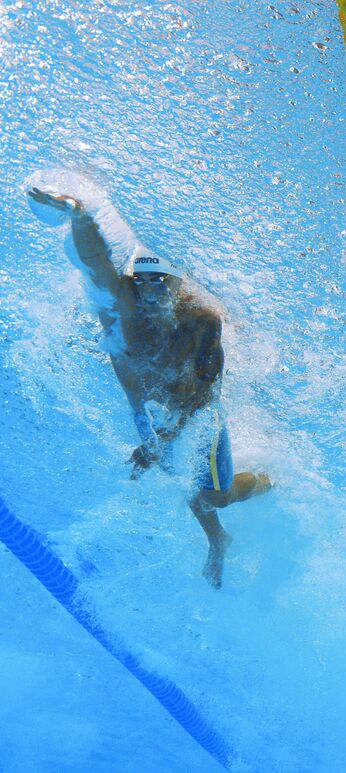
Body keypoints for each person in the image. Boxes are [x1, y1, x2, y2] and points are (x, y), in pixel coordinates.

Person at [27, 184, 271, 589]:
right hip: (150, 416)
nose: (151, 290)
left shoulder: (201, 321)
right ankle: (218, 539)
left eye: (161, 280)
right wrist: (79, 214)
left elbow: (207, 397)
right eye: (142, 281)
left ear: (179, 283)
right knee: (185, 481)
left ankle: (271, 481)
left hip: (195, 419)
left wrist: (161, 441)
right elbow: (94, 262)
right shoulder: (122, 309)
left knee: (214, 496)